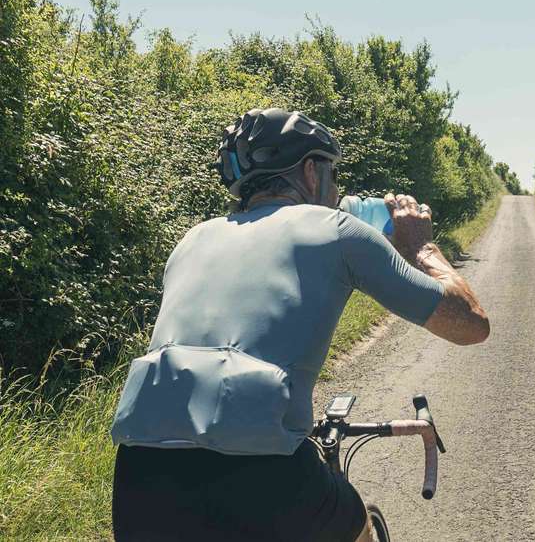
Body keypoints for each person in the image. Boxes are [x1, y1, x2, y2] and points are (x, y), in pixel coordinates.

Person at [110, 108, 489, 541]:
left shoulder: (192, 239)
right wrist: (422, 247)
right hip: (265, 478)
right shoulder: (338, 230)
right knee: (352, 522)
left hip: (141, 478)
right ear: (311, 172)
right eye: (333, 174)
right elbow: (471, 325)